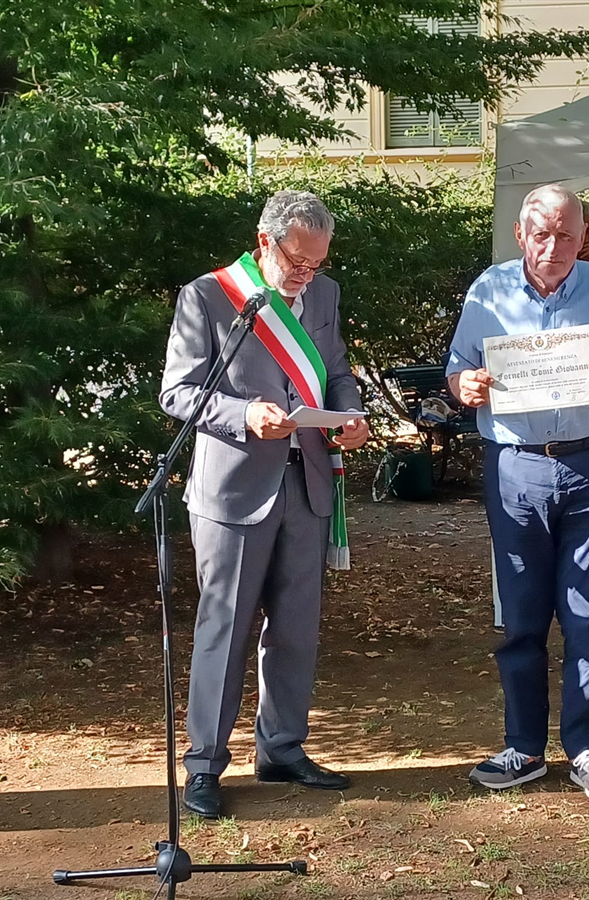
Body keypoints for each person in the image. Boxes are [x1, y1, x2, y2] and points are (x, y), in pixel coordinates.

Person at [160, 190, 369, 819]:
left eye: (317, 263)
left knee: (296, 628)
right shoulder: (208, 296)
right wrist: (245, 413)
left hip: (308, 482)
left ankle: (281, 748)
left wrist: (351, 414)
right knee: (223, 628)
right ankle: (204, 764)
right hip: (234, 490)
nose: (307, 275)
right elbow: (178, 392)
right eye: (297, 262)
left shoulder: (325, 295)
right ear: (264, 242)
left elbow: (336, 371)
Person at [448, 184, 589, 802]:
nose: (554, 246)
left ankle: (588, 749)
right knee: (522, 614)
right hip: (516, 468)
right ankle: (524, 747)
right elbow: (457, 368)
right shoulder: (488, 290)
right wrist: (467, 387)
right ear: (521, 235)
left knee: (587, 613)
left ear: (584, 236)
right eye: (543, 234)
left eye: (567, 234)